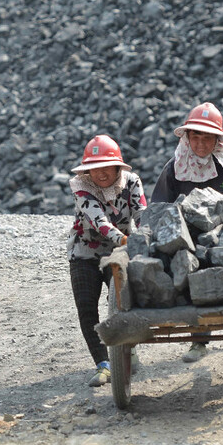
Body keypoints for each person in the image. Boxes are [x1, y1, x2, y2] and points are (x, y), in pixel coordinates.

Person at [150, 102, 223, 362]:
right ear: (188, 137)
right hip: (187, 241)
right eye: (196, 136)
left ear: (217, 140)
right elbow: (159, 207)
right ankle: (199, 339)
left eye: (208, 137)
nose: (201, 144)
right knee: (183, 264)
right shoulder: (175, 167)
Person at [66, 134, 147, 387]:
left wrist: (149, 238)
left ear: (117, 166)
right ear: (87, 170)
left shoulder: (132, 182)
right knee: (87, 307)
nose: (101, 173)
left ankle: (127, 348)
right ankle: (103, 363)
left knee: (123, 302)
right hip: (84, 252)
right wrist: (126, 240)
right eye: (95, 167)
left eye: (106, 166)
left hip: (119, 253)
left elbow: (142, 214)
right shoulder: (81, 186)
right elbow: (99, 222)